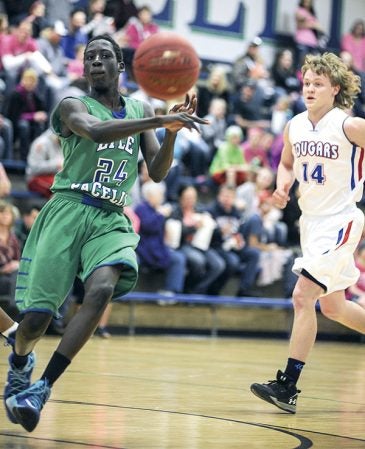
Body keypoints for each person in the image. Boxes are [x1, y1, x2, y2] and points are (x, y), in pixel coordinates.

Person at [3, 33, 207, 433]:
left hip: (110, 217)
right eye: (89, 56)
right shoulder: (71, 104)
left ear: (121, 66)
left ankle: (42, 387)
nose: (95, 62)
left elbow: (160, 171)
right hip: (66, 211)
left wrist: (169, 134)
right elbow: (96, 131)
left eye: (104, 56)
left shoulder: (140, 107)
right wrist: (159, 119)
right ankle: (21, 359)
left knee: (100, 290)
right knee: (34, 323)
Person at [250, 52, 365, 414]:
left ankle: (288, 386)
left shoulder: (350, 126)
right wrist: (283, 187)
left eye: (318, 83)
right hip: (311, 223)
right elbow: (286, 162)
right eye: (306, 83)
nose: (310, 88)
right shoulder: (294, 125)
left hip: (341, 220)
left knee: (303, 296)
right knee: (333, 307)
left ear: (335, 88)